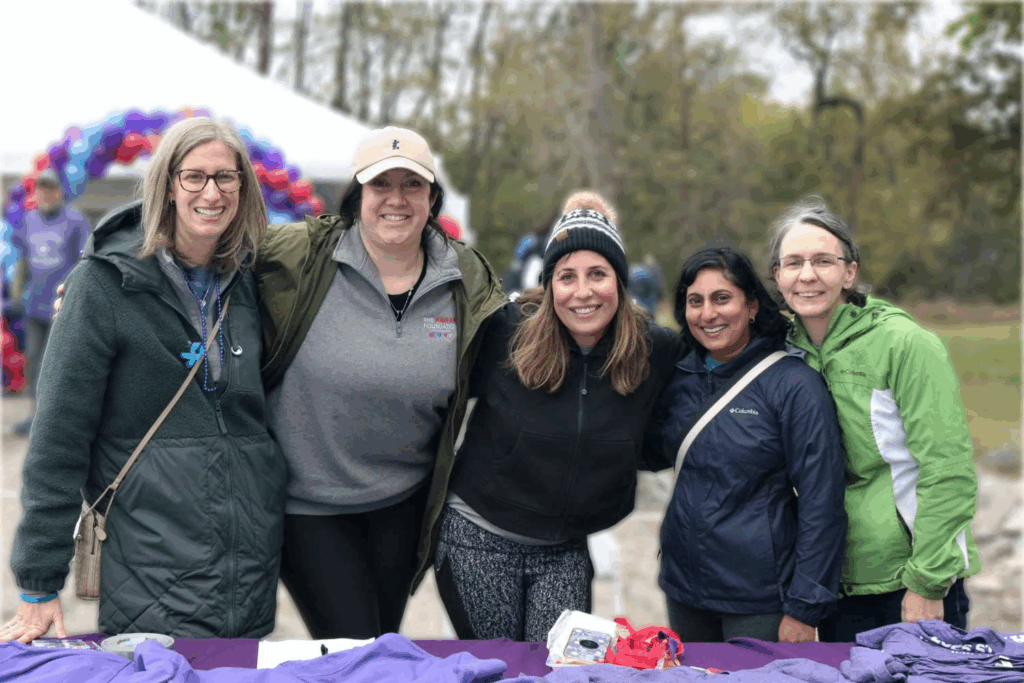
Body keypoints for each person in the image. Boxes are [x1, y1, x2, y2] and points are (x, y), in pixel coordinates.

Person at [1, 118, 286, 642]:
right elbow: (58, 436)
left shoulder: (256, 280)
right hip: (151, 563)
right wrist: (39, 582)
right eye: (194, 176)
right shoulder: (104, 285)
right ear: (167, 184)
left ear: (244, 188)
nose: (212, 192)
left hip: (247, 567)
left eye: (227, 178)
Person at [255, 126, 508, 639]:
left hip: (405, 505)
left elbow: (523, 339)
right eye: (380, 185)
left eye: (412, 185)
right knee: (357, 648)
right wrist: (99, 279)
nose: (397, 199)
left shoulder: (464, 277)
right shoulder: (299, 254)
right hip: (310, 505)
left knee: (383, 640)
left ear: (431, 197)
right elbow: (206, 247)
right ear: (357, 196)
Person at [432, 191, 682, 642]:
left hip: (565, 549)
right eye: (566, 276)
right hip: (479, 536)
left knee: (558, 670)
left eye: (598, 274)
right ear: (549, 285)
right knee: (501, 670)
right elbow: (431, 378)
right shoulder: (507, 331)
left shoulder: (654, 350)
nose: (583, 291)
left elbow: (702, 385)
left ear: (621, 281)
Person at [767, 196, 981, 642]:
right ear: (777, 277)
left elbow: (948, 470)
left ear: (849, 272)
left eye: (823, 261)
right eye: (793, 263)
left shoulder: (905, 344)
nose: (807, 275)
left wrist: (928, 580)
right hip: (831, 580)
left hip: (909, 580)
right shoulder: (781, 353)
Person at [653, 246, 847, 643]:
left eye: (722, 298)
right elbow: (647, 450)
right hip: (685, 589)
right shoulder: (680, 377)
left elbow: (822, 500)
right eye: (695, 301)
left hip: (760, 598)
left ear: (752, 305)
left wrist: (804, 607)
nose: (708, 314)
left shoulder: (794, 385)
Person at [7, 170, 91, 437]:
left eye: (50, 189)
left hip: (62, 307)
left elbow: (86, 263)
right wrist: (17, 295)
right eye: (40, 189)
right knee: (33, 362)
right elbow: (22, 262)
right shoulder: (29, 221)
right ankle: (36, 418)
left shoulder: (75, 221)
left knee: (53, 364)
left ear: (60, 192)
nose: (45, 194)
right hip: (34, 307)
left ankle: (53, 422)